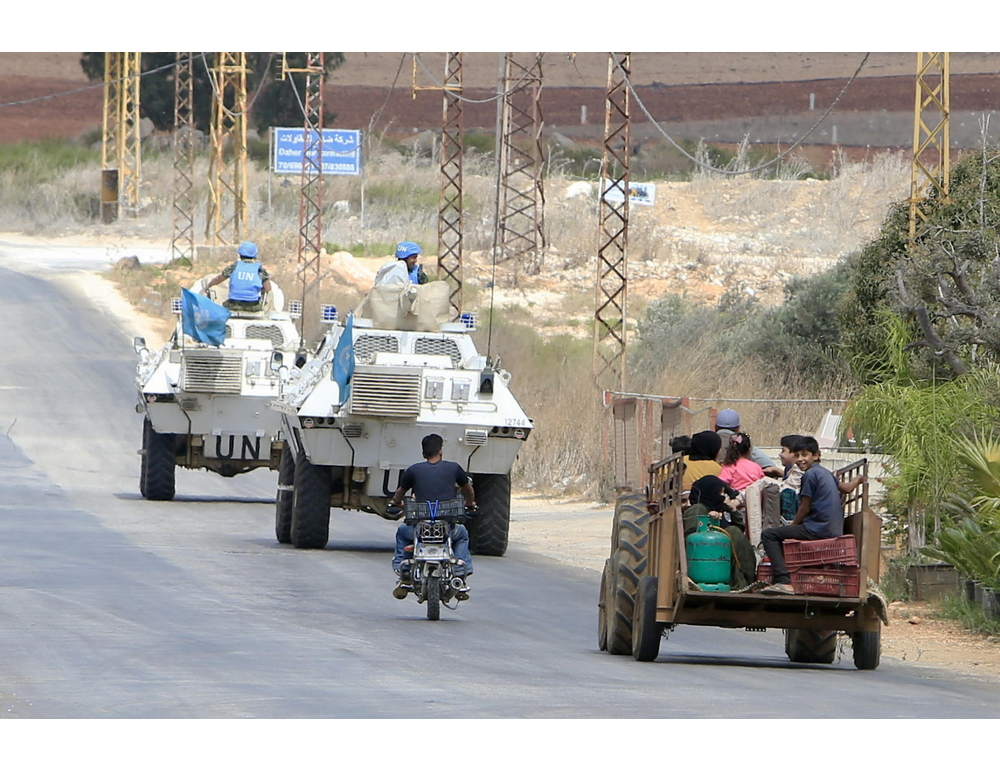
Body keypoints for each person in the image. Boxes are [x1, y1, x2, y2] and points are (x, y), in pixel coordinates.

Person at [760, 436, 866, 594]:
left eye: (805, 455)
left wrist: (793, 525)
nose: (800, 459)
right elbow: (847, 488)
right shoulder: (825, 473)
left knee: (769, 535)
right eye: (797, 456)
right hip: (833, 528)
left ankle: (783, 581)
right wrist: (858, 479)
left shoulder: (809, 475)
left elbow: (804, 507)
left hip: (818, 529)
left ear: (816, 455)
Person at [389, 433, 477, 598]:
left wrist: (397, 503)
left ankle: (405, 572)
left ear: (423, 454)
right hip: (447, 529)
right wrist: (470, 504)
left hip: (419, 529)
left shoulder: (413, 470)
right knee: (463, 533)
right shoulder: (454, 468)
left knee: (402, 532)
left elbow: (399, 495)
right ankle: (459, 573)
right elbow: (468, 490)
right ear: (441, 451)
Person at [686, 475, 757, 590]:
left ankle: (746, 580)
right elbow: (692, 540)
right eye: (720, 493)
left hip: (724, 562)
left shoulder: (719, 509)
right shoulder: (697, 509)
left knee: (734, 531)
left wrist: (733, 510)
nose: (723, 497)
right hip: (707, 566)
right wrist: (710, 522)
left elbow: (739, 531)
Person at [203, 241, 272, 312]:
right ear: (255, 255)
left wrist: (209, 285)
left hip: (234, 304)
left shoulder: (234, 266)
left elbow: (218, 279)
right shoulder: (259, 269)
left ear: (240, 255)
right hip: (253, 306)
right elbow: (268, 288)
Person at [714, 408, 782, 477]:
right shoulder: (744, 444)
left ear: (715, 427)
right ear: (738, 428)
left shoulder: (706, 442)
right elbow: (770, 466)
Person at [777, 434, 807, 523]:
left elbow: (788, 487)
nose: (780, 454)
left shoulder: (799, 471)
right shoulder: (789, 468)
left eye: (783, 450)